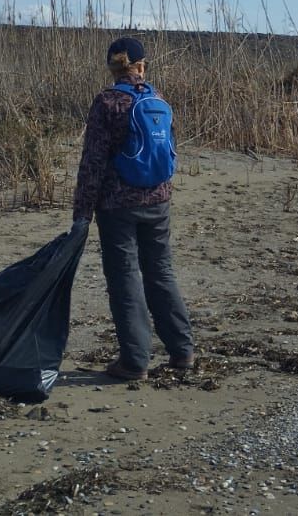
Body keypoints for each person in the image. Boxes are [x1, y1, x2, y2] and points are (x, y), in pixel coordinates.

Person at [73, 37, 195, 381]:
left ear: (112, 68)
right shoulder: (159, 100)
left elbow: (93, 161)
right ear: (141, 66)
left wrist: (82, 212)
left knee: (124, 277)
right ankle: (182, 350)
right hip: (158, 199)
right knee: (161, 272)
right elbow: (169, 149)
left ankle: (134, 361)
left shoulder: (107, 102)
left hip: (117, 205)